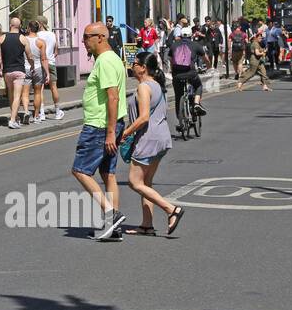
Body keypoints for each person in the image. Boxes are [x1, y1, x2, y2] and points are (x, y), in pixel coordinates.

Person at [119, 52, 184, 236]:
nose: (132, 66)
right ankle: (147, 226)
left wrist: (126, 132)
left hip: (148, 139)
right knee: (146, 182)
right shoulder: (157, 86)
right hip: (161, 138)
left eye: (134, 63)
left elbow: (144, 118)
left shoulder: (144, 87)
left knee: (134, 182)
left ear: (143, 68)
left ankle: (171, 209)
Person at [74, 22, 129, 241]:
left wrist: (109, 132)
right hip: (109, 124)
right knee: (108, 174)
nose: (84, 41)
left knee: (80, 170)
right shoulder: (114, 58)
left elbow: (112, 97)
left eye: (87, 37)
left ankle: (111, 214)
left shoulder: (105, 61)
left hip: (99, 125)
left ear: (100, 38)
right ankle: (113, 229)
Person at [0, 15, 32, 129]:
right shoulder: (23, 38)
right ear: (20, 26)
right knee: (17, 96)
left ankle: (15, 117)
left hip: (7, 71)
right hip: (19, 70)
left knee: (11, 95)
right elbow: (29, 55)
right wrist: (32, 65)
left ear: (10, 25)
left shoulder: (2, 38)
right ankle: (12, 120)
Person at [168, 27, 208, 117]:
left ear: (181, 35)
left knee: (178, 96)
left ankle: (180, 121)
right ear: (191, 35)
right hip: (191, 73)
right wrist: (209, 67)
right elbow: (206, 58)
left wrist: (172, 71)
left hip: (177, 75)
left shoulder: (174, 45)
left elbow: (170, 59)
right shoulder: (195, 45)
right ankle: (196, 103)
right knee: (198, 86)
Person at [36, 16, 66, 120]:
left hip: (40, 63)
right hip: (51, 62)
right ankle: (58, 112)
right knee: (54, 87)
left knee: (40, 89)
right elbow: (56, 51)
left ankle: (42, 113)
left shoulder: (37, 35)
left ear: (39, 23)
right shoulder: (53, 34)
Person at [25, 21, 50, 123]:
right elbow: (44, 59)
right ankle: (36, 116)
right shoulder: (41, 42)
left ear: (29, 28)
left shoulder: (24, 40)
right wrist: (47, 73)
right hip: (38, 68)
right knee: (37, 93)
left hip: (25, 67)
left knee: (25, 93)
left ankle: (26, 112)